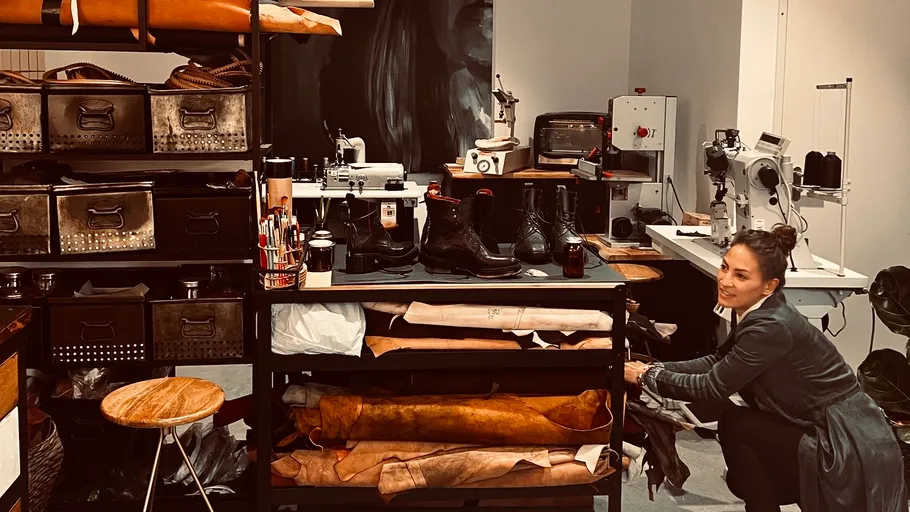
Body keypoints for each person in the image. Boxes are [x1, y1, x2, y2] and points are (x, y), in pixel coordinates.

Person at [624, 225, 907, 512]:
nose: (725, 281)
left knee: (738, 427)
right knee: (744, 468)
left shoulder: (770, 326)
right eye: (725, 268)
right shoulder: (760, 308)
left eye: (741, 276)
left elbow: (712, 387)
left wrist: (647, 376)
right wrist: (654, 367)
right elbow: (717, 360)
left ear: (769, 285)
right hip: (834, 429)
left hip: (847, 442)